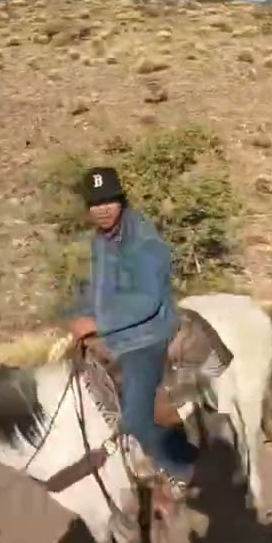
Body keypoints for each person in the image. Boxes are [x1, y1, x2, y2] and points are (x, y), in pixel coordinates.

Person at [67, 166, 197, 516]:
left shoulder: (144, 241)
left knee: (137, 417)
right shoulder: (100, 241)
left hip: (147, 333)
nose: (103, 209)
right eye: (95, 203)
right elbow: (95, 288)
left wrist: (98, 322)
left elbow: (147, 299)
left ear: (120, 201)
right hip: (116, 330)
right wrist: (77, 313)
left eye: (109, 201)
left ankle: (181, 470)